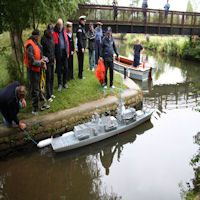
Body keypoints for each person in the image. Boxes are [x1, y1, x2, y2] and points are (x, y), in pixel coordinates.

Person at [24, 29, 50, 115]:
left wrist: (43, 59)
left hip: (39, 68)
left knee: (40, 87)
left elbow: (39, 54)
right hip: (33, 71)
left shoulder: (36, 43)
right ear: (35, 36)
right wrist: (41, 63)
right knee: (35, 90)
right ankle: (34, 109)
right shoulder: (30, 45)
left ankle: (43, 104)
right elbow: (32, 61)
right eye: (38, 36)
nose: (39, 38)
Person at [53, 18, 70, 92]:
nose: (60, 26)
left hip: (64, 52)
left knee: (66, 67)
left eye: (61, 25)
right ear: (57, 25)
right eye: (59, 25)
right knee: (59, 69)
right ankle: (59, 84)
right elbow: (53, 45)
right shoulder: (54, 32)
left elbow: (67, 42)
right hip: (58, 53)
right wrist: (54, 57)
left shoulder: (64, 31)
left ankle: (64, 83)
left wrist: (68, 52)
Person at [41, 24, 55, 102]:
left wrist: (54, 58)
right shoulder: (43, 39)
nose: (51, 33)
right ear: (47, 31)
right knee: (48, 77)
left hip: (52, 59)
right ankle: (48, 95)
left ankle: (51, 92)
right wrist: (44, 63)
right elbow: (42, 52)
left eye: (51, 32)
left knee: (52, 77)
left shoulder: (52, 37)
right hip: (47, 61)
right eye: (50, 32)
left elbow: (53, 48)